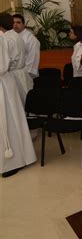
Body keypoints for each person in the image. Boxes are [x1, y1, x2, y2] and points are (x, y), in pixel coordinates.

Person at [0, 34, 37, 178]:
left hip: (2, 84)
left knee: (10, 123)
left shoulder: (1, 37)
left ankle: (14, 161)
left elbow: (2, 64)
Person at [0, 14, 32, 105]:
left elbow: (6, 61)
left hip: (12, 74)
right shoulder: (16, 35)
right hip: (20, 72)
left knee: (17, 103)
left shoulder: (6, 39)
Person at [12, 14, 40, 79]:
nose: (15, 24)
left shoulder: (31, 39)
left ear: (24, 25)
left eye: (18, 22)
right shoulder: (10, 37)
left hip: (26, 75)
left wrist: (24, 75)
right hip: (13, 75)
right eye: (13, 23)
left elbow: (33, 59)